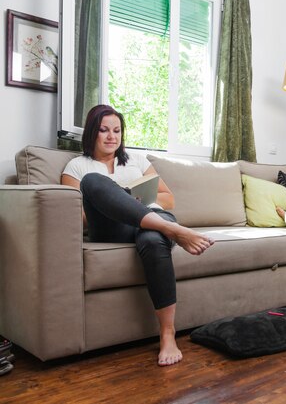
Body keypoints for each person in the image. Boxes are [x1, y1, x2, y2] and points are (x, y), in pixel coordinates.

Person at [61, 104, 214, 366]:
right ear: (91, 133)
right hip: (112, 228)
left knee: (154, 240)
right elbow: (74, 215)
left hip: (152, 222)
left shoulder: (137, 161)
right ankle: (174, 231)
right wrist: (114, 201)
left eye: (117, 130)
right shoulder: (77, 166)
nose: (112, 136)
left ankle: (167, 334)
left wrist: (133, 201)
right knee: (94, 183)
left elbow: (168, 199)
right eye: (104, 130)